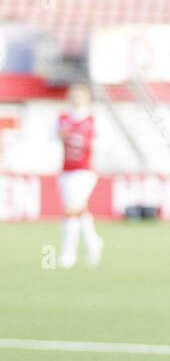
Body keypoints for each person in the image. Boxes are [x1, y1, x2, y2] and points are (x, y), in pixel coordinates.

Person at [56, 83, 102, 268]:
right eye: (73, 96)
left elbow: (103, 143)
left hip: (85, 171)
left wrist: (86, 143)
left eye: (79, 96)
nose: (75, 100)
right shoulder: (63, 118)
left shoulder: (93, 119)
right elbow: (52, 137)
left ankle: (68, 254)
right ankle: (94, 243)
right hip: (66, 169)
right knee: (79, 210)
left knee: (71, 210)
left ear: (86, 98)